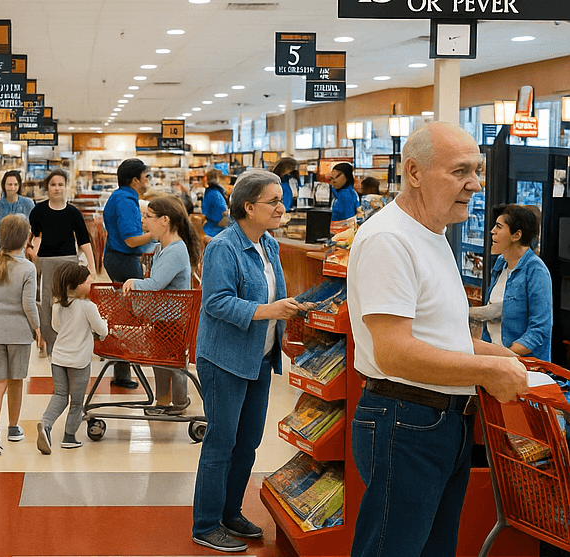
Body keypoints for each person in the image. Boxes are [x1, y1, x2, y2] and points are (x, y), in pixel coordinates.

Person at [346, 122, 529, 557]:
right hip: (405, 420)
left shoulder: (433, 235)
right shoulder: (390, 239)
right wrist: (488, 369)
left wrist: (499, 356)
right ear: (414, 172)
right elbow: (393, 352)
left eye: (478, 170)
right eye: (460, 171)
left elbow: (439, 336)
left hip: (443, 421)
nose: (476, 184)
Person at [191, 170, 310, 552]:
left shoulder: (269, 245)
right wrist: (269, 310)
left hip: (258, 359)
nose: (281, 206)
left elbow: (278, 295)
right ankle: (206, 524)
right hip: (225, 359)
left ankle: (230, 511)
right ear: (248, 206)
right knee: (221, 442)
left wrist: (289, 319)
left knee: (248, 443)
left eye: (281, 199)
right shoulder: (223, 247)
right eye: (273, 201)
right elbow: (216, 302)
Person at [122, 195, 202, 416]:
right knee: (161, 360)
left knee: (173, 362)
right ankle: (164, 400)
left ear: (165, 220)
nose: (143, 221)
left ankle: (178, 402)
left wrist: (133, 282)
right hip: (164, 316)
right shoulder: (163, 248)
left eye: (148, 216)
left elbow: (156, 284)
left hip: (173, 318)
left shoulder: (175, 250)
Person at [0, 215, 45, 455]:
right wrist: (38, 329)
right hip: (19, 333)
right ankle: (13, 427)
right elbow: (29, 304)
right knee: (16, 381)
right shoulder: (28, 268)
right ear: (26, 238)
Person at [36, 262, 108, 454]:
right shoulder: (88, 307)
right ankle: (69, 437)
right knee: (76, 402)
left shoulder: (58, 305)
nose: (91, 280)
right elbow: (102, 330)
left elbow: (57, 327)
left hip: (58, 359)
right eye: (87, 280)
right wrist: (103, 326)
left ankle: (46, 424)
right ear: (75, 286)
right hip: (79, 362)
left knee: (60, 395)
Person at [469, 204, 552, 361]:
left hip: (522, 366)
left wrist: (504, 356)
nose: (492, 231)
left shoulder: (536, 271)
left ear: (516, 235)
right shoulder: (501, 263)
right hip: (495, 360)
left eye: (499, 227)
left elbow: (539, 330)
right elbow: (495, 312)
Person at [29, 168, 97, 357]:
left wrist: (91, 267)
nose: (57, 188)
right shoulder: (38, 211)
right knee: (47, 304)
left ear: (65, 187)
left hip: (69, 263)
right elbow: (35, 236)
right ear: (47, 188)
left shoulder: (73, 213)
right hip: (46, 263)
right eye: (53, 185)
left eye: (60, 185)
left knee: (69, 302)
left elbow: (84, 241)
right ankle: (49, 344)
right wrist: (33, 253)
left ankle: (70, 342)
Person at [102, 158, 155, 389]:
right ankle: (122, 370)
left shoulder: (122, 197)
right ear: (135, 180)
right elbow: (131, 240)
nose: (148, 180)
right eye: (146, 176)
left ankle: (122, 369)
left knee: (124, 316)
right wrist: (157, 233)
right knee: (129, 319)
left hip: (118, 258)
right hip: (123, 259)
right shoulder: (125, 201)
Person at [0, 170, 35, 256]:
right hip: (4, 253)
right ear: (4, 185)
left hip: (24, 252)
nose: (13, 188)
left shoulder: (28, 204)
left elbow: (34, 230)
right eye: (10, 184)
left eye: (15, 184)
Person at [202, 169, 230, 238]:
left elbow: (204, 211)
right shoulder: (216, 194)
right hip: (217, 230)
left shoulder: (209, 192)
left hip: (209, 229)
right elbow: (224, 213)